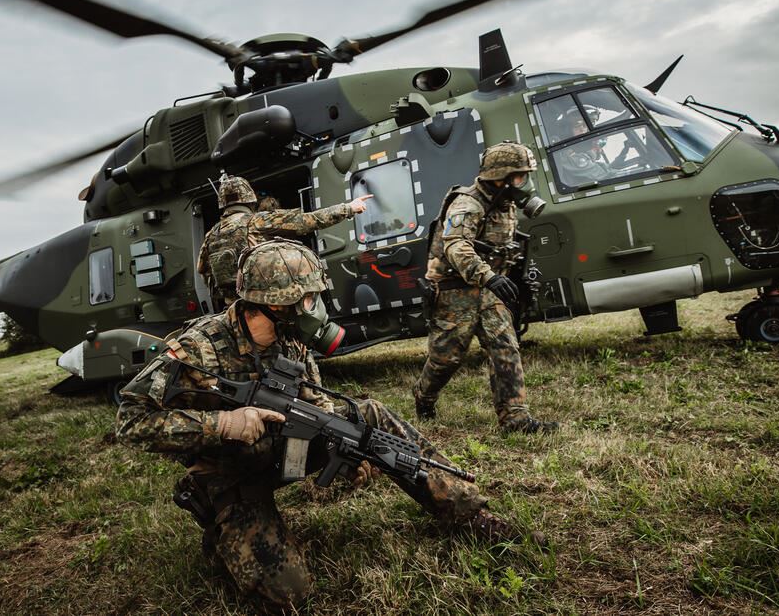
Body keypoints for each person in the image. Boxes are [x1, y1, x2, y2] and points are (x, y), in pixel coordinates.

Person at [117, 240, 529, 608]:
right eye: (311, 298)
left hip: (284, 445)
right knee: (289, 593)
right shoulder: (197, 348)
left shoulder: (292, 340)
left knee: (367, 417)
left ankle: (468, 512)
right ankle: (217, 521)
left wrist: (345, 446)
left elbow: (315, 400)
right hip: (230, 468)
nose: (317, 307)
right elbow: (131, 421)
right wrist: (221, 423)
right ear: (279, 305)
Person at [413, 141, 559, 433]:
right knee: (446, 358)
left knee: (505, 347)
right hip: (456, 290)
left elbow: (503, 245)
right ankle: (424, 396)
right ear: (500, 176)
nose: (524, 183)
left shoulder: (505, 203)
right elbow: (456, 246)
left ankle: (515, 419)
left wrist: (515, 274)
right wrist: (489, 276)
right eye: (520, 176)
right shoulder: (468, 203)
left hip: (488, 289)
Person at [196, 175, 372, 309]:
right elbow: (309, 220)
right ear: (249, 199)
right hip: (265, 301)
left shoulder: (212, 234)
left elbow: (202, 269)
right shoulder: (258, 221)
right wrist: (348, 208)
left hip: (233, 306)